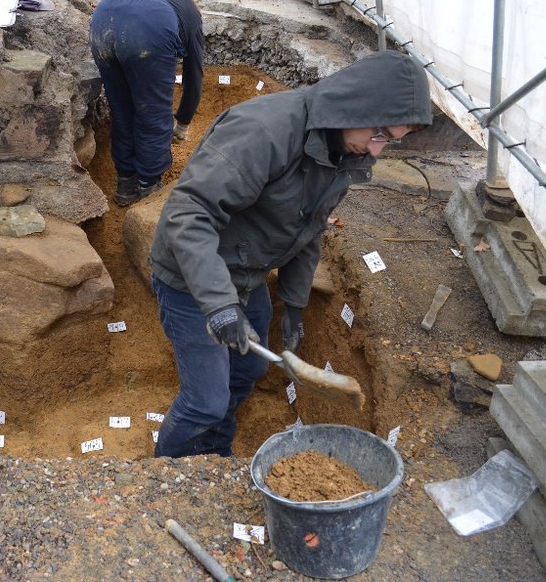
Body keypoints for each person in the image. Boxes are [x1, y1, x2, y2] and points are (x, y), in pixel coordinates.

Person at [148, 51, 432, 457]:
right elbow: (187, 214)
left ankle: (213, 452)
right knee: (204, 401)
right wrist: (220, 305)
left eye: (390, 142)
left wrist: (295, 305)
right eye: (380, 135)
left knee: (248, 369)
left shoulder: (342, 151)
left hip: (246, 272)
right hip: (192, 276)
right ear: (356, 109)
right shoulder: (263, 132)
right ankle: (170, 476)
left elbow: (309, 227)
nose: (377, 152)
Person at [89, 0, 203, 206]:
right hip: (148, 28)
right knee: (153, 113)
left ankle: (126, 184)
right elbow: (194, 75)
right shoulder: (192, 17)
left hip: (103, 19)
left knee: (121, 111)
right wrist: (183, 123)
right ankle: (148, 187)